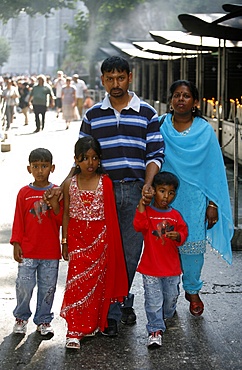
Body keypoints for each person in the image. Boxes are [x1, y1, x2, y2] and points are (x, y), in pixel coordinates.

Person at [77, 56, 165, 334]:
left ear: (130, 77)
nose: (116, 84)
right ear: (102, 80)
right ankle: (111, 310)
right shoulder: (92, 115)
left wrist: (148, 185)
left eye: (121, 78)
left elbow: (155, 153)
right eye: (110, 79)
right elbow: (81, 157)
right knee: (103, 252)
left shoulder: (147, 113)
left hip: (138, 192)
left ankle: (119, 303)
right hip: (102, 191)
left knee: (129, 253)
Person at [159, 80, 233, 317]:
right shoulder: (161, 127)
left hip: (195, 200)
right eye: (177, 95)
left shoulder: (204, 131)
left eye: (186, 96)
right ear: (171, 100)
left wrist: (213, 204)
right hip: (165, 200)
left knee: (192, 251)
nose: (181, 99)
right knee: (164, 247)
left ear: (195, 102)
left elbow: (213, 170)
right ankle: (168, 296)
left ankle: (192, 290)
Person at [60, 136, 128, 349]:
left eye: (94, 158)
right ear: (76, 160)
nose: (90, 163)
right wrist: (64, 241)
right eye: (84, 158)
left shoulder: (105, 182)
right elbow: (66, 214)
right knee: (77, 283)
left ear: (100, 160)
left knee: (98, 285)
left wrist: (110, 243)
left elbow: (110, 216)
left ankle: (92, 325)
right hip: (77, 238)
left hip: (101, 240)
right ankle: (74, 330)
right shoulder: (70, 184)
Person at [10, 148, 63, 337]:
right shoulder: (24, 193)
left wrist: (55, 204)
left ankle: (44, 320)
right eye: (36, 166)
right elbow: (19, 220)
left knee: (48, 288)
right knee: (24, 285)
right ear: (28, 168)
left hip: (50, 252)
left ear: (52, 167)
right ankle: (21, 317)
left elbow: (60, 220)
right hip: (28, 250)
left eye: (44, 166)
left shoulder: (56, 192)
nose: (40, 170)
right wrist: (16, 243)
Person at [133, 171, 188, 348]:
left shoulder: (176, 215)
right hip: (151, 267)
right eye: (162, 191)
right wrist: (142, 204)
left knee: (171, 297)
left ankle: (167, 314)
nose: (166, 196)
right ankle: (155, 329)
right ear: (154, 191)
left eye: (171, 192)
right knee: (153, 300)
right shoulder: (147, 212)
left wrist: (178, 235)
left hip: (171, 268)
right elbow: (138, 225)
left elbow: (184, 233)